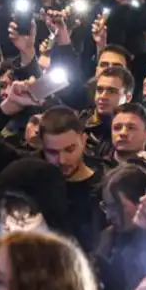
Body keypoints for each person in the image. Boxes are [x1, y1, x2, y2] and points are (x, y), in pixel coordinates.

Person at [38, 105, 105, 253]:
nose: (62, 160)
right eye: (52, 152)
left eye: (69, 149)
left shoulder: (103, 188)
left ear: (84, 140)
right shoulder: (35, 181)